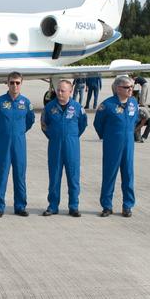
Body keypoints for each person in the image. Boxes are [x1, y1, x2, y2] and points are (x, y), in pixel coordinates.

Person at [0, 71, 35, 218]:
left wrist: (19, 132)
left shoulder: (26, 103)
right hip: (3, 143)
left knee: (20, 174)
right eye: (12, 83)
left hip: (19, 143)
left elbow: (30, 121)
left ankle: (20, 206)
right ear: (7, 83)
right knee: (1, 174)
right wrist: (3, 131)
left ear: (21, 84)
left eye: (17, 83)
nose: (14, 85)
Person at [92, 76, 139, 217]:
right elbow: (98, 123)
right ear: (118, 88)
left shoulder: (133, 103)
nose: (130, 89)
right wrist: (107, 136)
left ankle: (127, 205)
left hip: (128, 144)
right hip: (112, 143)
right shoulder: (107, 105)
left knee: (128, 174)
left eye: (131, 87)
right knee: (109, 174)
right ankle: (107, 205)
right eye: (127, 87)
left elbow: (135, 120)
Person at [40, 78, 87, 217]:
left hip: (72, 146)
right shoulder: (49, 107)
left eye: (63, 91)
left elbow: (82, 125)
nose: (60, 93)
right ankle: (53, 206)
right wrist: (54, 136)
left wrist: (72, 137)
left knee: (73, 176)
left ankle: (74, 206)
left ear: (70, 91)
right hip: (55, 145)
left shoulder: (78, 108)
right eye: (58, 90)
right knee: (54, 176)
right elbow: (44, 125)